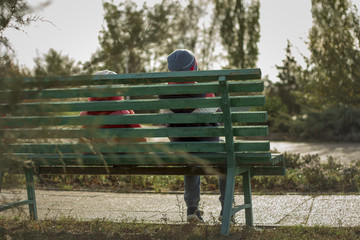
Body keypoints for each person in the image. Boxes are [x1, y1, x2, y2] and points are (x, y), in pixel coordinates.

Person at [160, 49, 228, 223]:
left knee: (189, 154)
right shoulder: (206, 92)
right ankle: (226, 209)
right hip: (208, 148)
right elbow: (219, 122)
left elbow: (167, 126)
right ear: (193, 68)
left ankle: (192, 209)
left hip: (180, 149)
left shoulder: (163, 95)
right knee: (225, 161)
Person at [80, 70, 146, 143]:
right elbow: (141, 139)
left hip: (97, 152)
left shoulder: (86, 113)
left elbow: (83, 140)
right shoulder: (124, 111)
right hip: (122, 152)